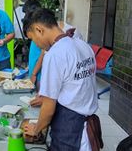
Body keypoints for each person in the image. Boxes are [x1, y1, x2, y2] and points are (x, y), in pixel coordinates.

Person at [23, 8, 98, 151]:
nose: (37, 45)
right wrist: (46, 98)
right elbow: (78, 85)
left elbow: (49, 109)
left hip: (70, 129)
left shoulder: (55, 54)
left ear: (39, 30)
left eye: (33, 39)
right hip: (85, 124)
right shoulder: (82, 45)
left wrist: (36, 128)